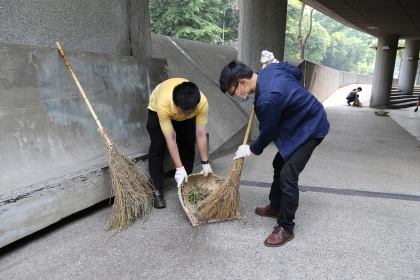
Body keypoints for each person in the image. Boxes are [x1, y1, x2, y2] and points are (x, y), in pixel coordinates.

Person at [219, 60, 330, 247]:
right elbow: (297, 73)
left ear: (243, 82)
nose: (237, 95)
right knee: (279, 164)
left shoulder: (267, 98)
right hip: (298, 122)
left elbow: (268, 132)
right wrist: (280, 63)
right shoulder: (272, 68)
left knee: (288, 174)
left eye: (234, 92)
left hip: (311, 126)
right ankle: (276, 207)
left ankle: (286, 227)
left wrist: (251, 149)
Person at [146, 78, 213, 209]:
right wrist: (179, 168)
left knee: (188, 145)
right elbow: (170, 138)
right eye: (183, 111)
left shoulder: (202, 103)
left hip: (183, 108)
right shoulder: (164, 104)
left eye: (190, 112)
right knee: (158, 146)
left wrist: (205, 163)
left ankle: (185, 185)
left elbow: (200, 134)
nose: (186, 114)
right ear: (176, 104)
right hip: (157, 110)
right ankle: (157, 190)